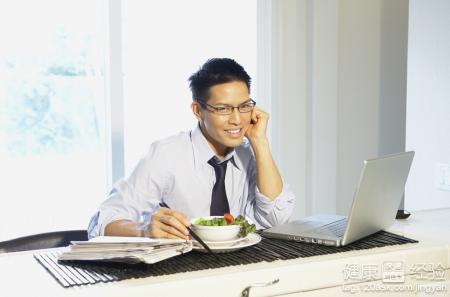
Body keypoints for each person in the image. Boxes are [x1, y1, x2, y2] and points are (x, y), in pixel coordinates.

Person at [88, 58, 295, 240]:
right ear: (198, 110)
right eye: (223, 109)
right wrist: (144, 230)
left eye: (244, 106)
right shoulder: (166, 155)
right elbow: (102, 223)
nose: (237, 119)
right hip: (178, 271)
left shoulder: (248, 152)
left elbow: (275, 218)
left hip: (238, 267)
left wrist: (260, 143)